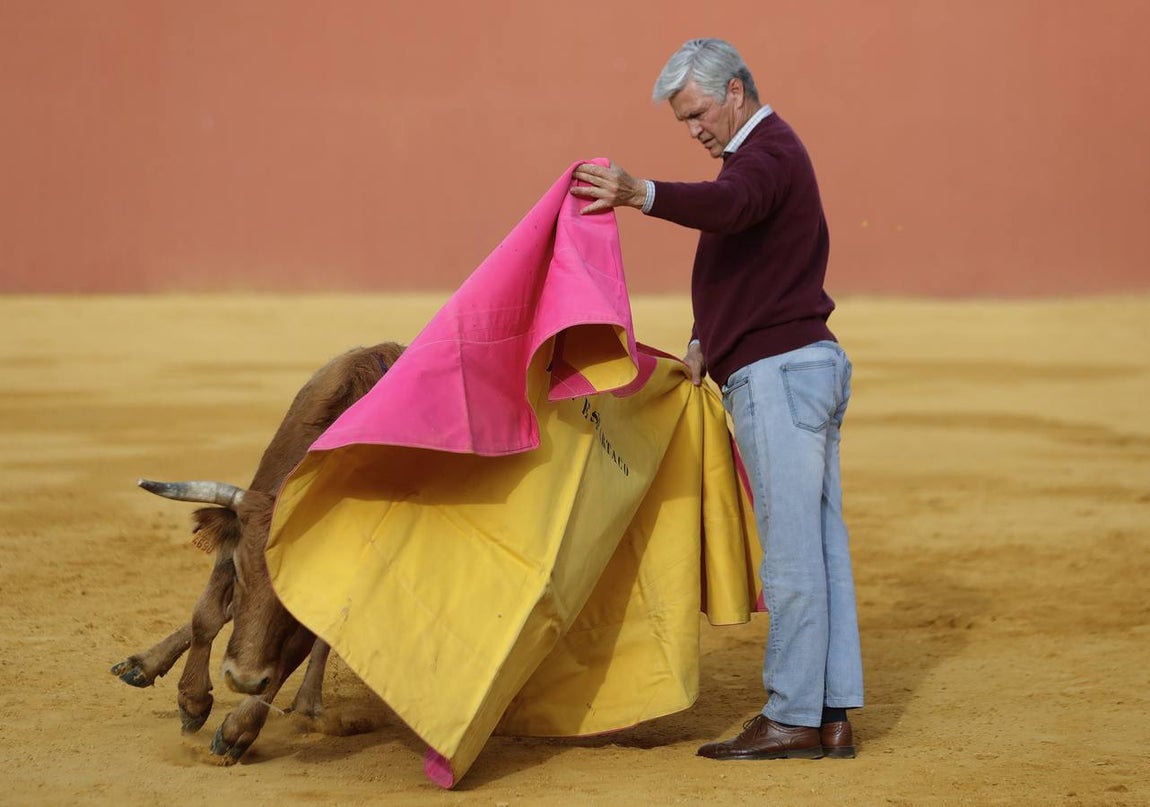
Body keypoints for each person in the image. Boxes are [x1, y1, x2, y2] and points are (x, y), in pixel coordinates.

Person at [570, 38, 863, 761]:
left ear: (734, 90)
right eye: (683, 120)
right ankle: (829, 713)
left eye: (697, 112)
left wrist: (643, 194)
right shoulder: (764, 156)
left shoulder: (767, 155)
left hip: (780, 374)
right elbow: (743, 257)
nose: (694, 128)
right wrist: (705, 336)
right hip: (798, 367)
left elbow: (731, 209)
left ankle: (793, 714)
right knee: (819, 551)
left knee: (793, 556)